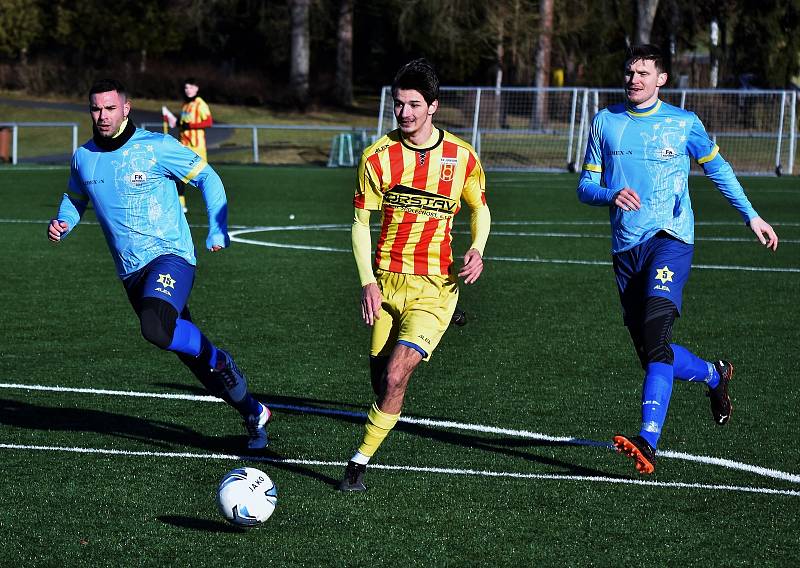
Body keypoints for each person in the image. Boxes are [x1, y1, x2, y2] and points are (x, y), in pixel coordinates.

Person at [577, 45, 779, 474]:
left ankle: (647, 441)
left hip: (671, 240)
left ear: (661, 79)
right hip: (625, 249)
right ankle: (713, 375)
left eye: (643, 73)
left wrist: (751, 216)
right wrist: (610, 194)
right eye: (629, 72)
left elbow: (718, 169)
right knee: (654, 352)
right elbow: (585, 187)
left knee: (656, 328)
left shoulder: (684, 124)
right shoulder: (605, 122)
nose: (633, 79)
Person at [47, 79, 270, 450]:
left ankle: (221, 358)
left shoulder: (156, 147)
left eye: (110, 108)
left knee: (155, 327)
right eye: (96, 109)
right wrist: (63, 221)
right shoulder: (83, 156)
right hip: (131, 272)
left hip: (171, 257)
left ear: (126, 108)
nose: (102, 116)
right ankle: (254, 411)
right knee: (192, 357)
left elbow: (207, 178)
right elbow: (75, 195)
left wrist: (217, 227)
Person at [338, 59, 491, 491]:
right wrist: (367, 280)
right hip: (385, 284)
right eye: (399, 105)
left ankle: (358, 463)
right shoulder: (377, 157)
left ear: (433, 107)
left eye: (414, 105)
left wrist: (476, 249)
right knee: (380, 381)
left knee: (395, 376)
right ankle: (381, 417)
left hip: (434, 288)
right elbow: (359, 223)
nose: (405, 113)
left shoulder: (461, 157)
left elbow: (480, 208)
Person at [177, 78, 213, 213]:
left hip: (197, 147)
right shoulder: (185, 105)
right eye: (186, 88)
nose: (188, 90)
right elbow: (183, 123)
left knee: (203, 178)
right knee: (178, 176)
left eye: (191, 87)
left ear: (197, 88)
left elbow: (209, 122)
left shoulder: (200, 104)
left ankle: (212, 205)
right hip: (184, 146)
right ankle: (181, 206)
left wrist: (191, 125)